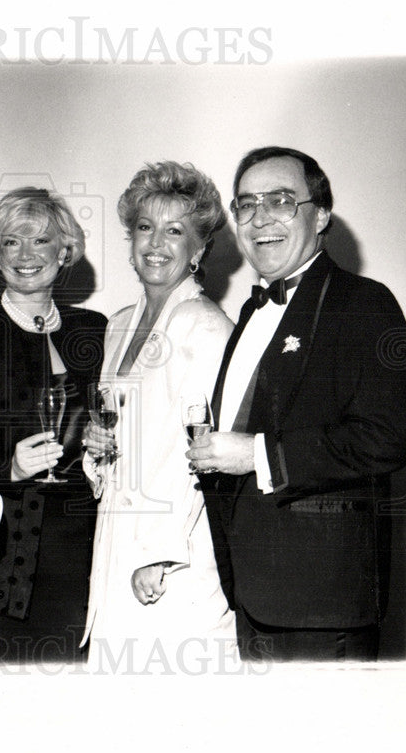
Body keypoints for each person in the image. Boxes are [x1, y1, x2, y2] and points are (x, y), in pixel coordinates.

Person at [189, 146, 406, 662]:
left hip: (323, 605)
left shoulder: (364, 302)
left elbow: (386, 439)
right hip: (249, 594)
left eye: (282, 200)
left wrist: (257, 455)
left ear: (322, 214)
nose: (260, 217)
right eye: (246, 204)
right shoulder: (248, 313)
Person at [0, 187, 106, 664]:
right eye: (11, 242)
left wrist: (101, 445)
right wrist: (7, 469)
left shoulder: (93, 329)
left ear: (64, 250)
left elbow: (112, 425)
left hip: (74, 552)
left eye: (42, 241)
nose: (27, 255)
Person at [82, 162, 238, 674]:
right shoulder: (118, 326)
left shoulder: (207, 326)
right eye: (145, 227)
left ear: (198, 250)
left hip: (174, 554)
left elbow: (201, 451)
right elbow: (120, 432)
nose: (156, 243)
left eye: (176, 231)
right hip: (116, 543)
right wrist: (96, 449)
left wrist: (160, 552)